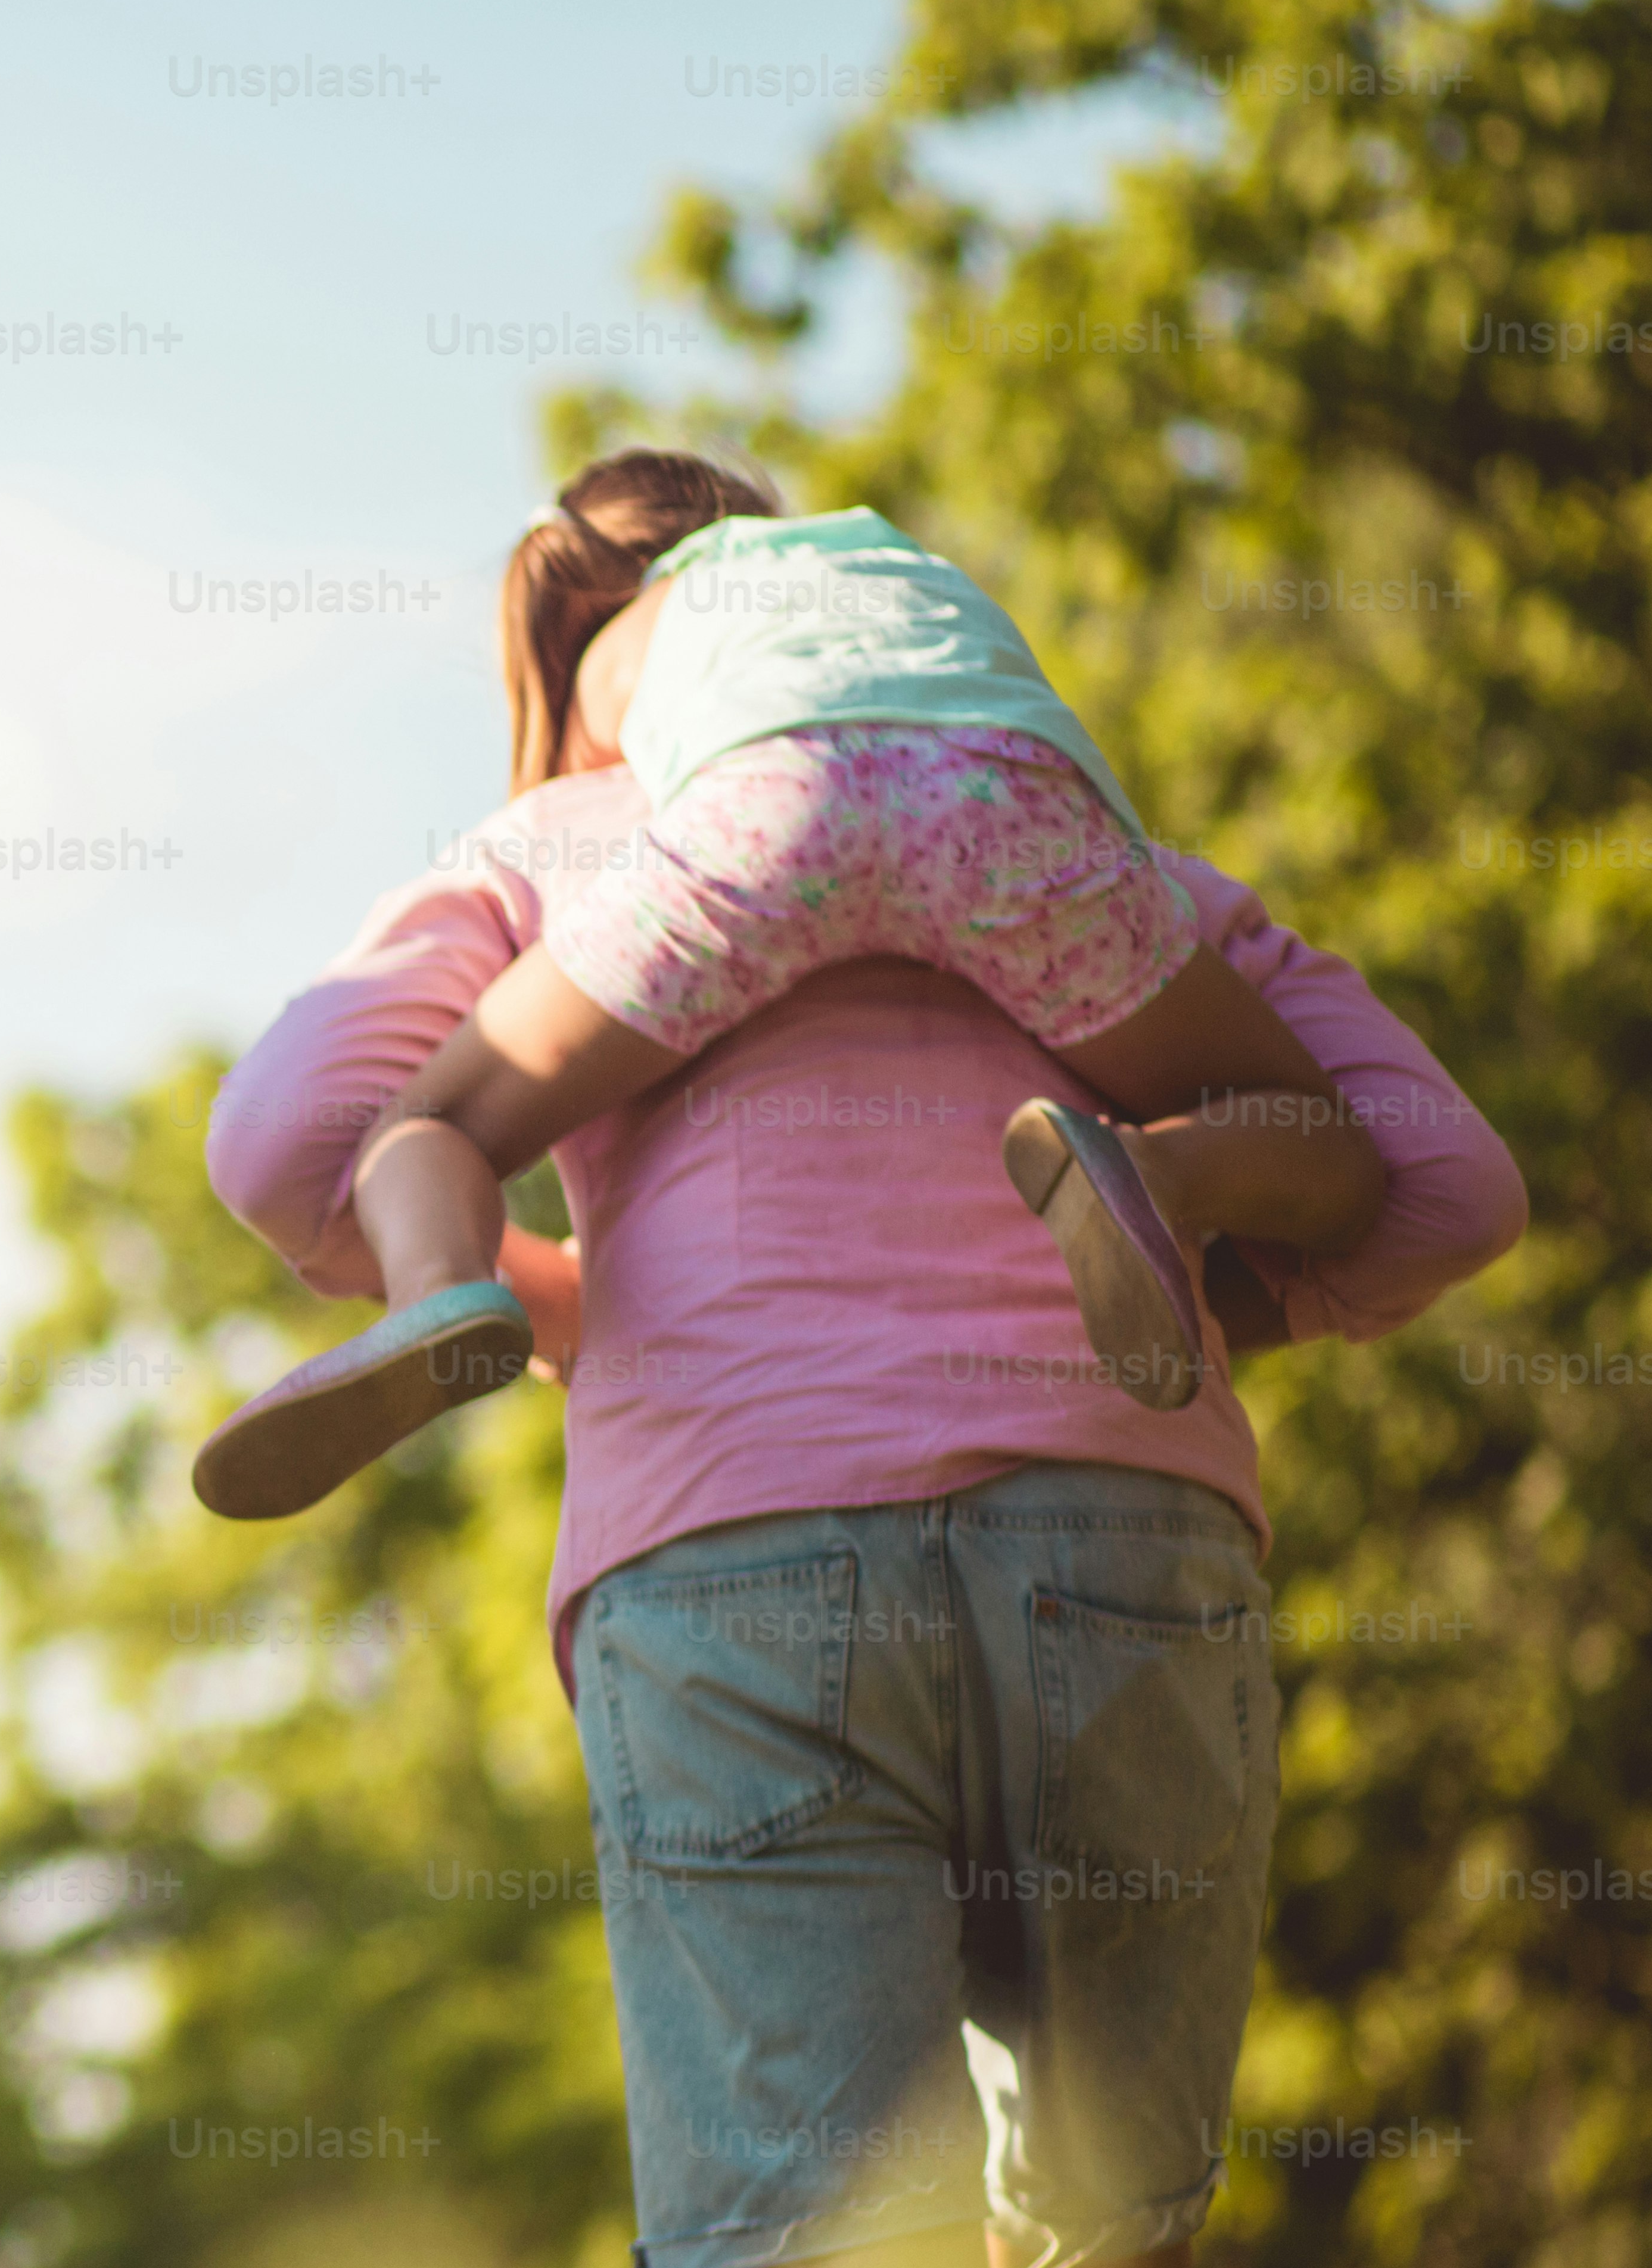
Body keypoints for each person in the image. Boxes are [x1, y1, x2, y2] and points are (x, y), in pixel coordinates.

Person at [202, 452, 1525, 2268]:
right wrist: (1226, 1300)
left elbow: (285, 1134)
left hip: (732, 1567)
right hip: (1120, 1551)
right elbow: (1440, 1188)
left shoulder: (554, 850)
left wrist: (550, 1282)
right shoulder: (1065, 824)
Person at [192, 455, 1393, 1520]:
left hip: (773, 813)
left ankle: (439, 1295)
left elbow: (605, 786)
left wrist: (548, 1293)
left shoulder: (623, 649)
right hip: (1006, 811)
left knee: (434, 1121)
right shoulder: (871, 553)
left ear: (572, 615)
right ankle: (1153, 1173)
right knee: (1327, 1142)